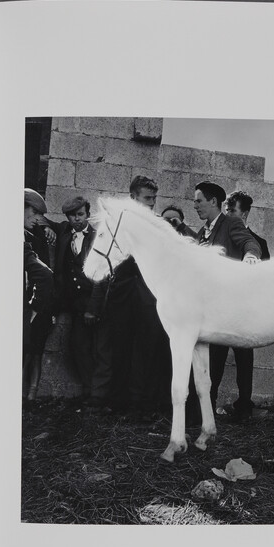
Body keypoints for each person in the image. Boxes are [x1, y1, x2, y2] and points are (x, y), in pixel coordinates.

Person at [194, 181, 262, 420]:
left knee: (243, 361)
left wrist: (251, 255)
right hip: (214, 313)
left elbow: (249, 242)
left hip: (238, 312)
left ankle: (244, 408)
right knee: (213, 363)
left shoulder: (231, 223)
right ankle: (207, 412)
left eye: (199, 201)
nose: (195, 206)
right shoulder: (203, 232)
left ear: (214, 202)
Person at [107, 176, 171, 414]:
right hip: (122, 296)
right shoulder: (116, 222)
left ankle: (144, 404)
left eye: (154, 198)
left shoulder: (158, 225)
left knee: (147, 351)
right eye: (147, 198)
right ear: (133, 197)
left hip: (149, 298)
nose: (152, 203)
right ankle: (118, 403)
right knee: (120, 348)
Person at [45, 196, 112, 405]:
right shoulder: (64, 232)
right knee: (78, 346)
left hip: (95, 302)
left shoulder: (97, 237)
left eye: (80, 214)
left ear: (88, 214)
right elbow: (45, 221)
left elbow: (101, 275)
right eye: (72, 216)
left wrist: (93, 307)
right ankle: (90, 390)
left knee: (98, 349)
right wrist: (46, 229)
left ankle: (100, 395)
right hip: (74, 304)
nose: (77, 219)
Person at [23, 188, 54, 401]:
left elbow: (44, 275)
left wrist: (34, 307)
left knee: (32, 350)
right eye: (33, 213)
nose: (37, 219)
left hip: (32, 307)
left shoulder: (31, 237)